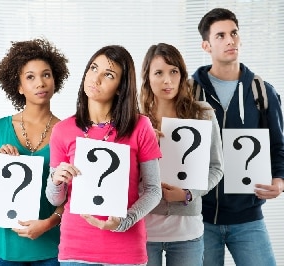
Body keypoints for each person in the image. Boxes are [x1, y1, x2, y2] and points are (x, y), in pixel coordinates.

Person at [45, 44, 162, 265]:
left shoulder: (140, 126)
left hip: (125, 251)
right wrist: (56, 180)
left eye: (108, 75)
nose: (95, 78)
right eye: (93, 68)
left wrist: (125, 221)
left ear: (120, 87)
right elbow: (55, 198)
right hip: (76, 251)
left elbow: (153, 190)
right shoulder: (62, 130)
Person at [192, 8, 284, 266]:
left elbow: (278, 146)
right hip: (201, 218)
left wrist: (279, 182)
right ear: (206, 45)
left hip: (248, 217)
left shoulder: (262, 91)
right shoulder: (189, 92)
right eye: (220, 35)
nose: (230, 40)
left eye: (234, 33)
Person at [0, 38, 69, 265]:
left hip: (52, 248)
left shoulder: (68, 131)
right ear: (18, 86)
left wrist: (48, 223)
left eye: (46, 75)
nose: (40, 83)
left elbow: (75, 196)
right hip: (4, 248)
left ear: (55, 80)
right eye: (30, 77)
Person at [139, 43, 224, 266]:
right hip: (144, 232)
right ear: (147, 77)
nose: (167, 80)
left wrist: (188, 193)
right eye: (158, 73)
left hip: (187, 233)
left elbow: (216, 167)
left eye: (173, 71)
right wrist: (144, 144)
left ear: (182, 75)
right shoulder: (136, 120)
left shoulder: (202, 113)